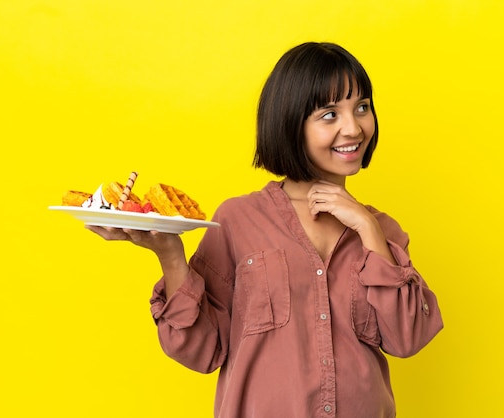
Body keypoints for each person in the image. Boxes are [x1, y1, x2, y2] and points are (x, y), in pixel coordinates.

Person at [87, 42, 443, 418]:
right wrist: (171, 256)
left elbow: (409, 337)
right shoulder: (238, 221)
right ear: (291, 123)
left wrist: (367, 228)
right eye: (328, 115)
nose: (353, 128)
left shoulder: (383, 231)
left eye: (362, 107)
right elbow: (202, 350)